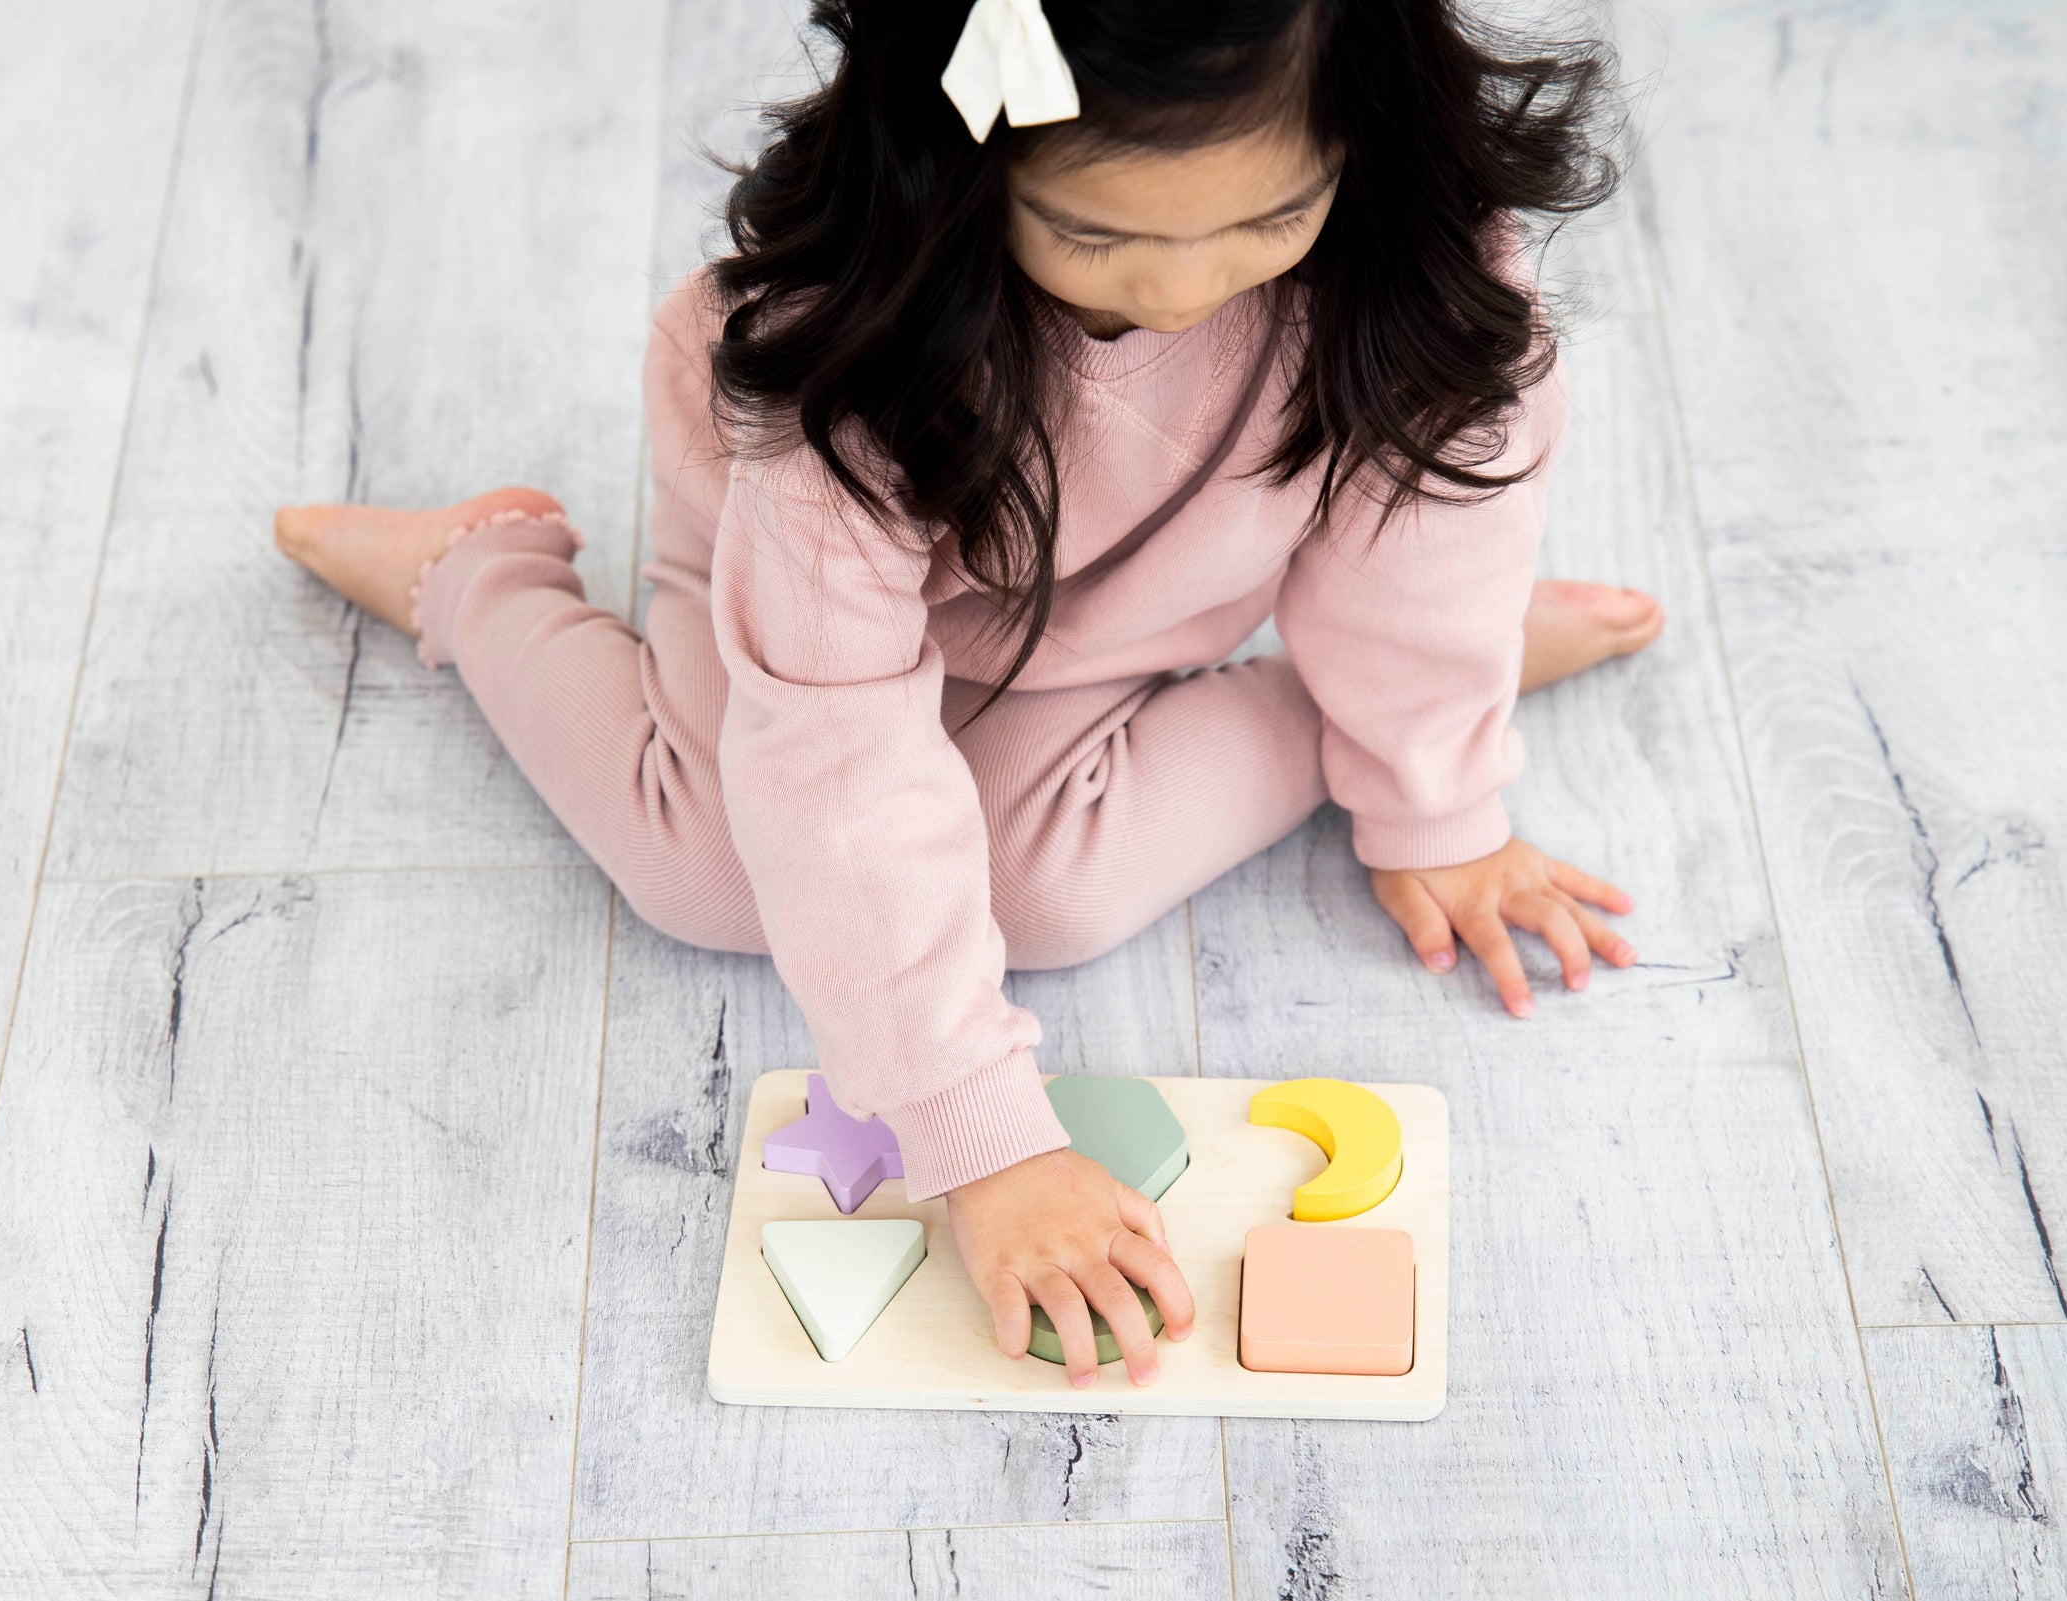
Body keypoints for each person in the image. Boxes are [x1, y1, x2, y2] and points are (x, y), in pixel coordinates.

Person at [275, 0, 1660, 1389]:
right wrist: (979, 1133)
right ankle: (478, 576)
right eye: (1099, 237)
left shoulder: (1413, 253)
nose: (1182, 290)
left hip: (1122, 617)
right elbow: (833, 743)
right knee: (706, 865)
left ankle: (1425, 677)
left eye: (1265, 218)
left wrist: (1440, 801)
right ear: (966, 156)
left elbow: (1428, 526)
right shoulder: (854, 367)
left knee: (1053, 895)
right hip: (806, 598)